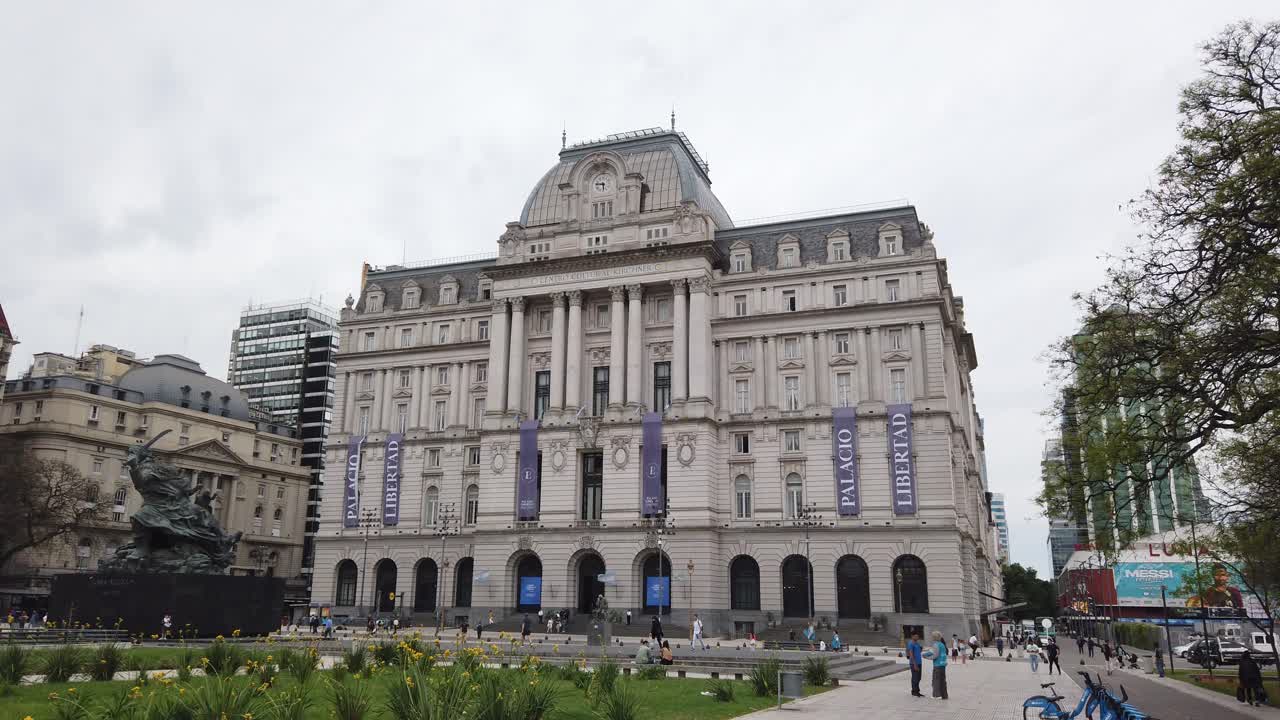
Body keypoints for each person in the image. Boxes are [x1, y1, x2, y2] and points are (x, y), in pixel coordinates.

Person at [921, 631, 948, 700]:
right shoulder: (942, 644)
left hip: (937, 665)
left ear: (934, 637)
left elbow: (934, 655)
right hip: (943, 665)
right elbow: (931, 652)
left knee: (936, 680)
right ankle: (944, 695)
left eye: (932, 636)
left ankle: (936, 695)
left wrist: (926, 657)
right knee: (942, 680)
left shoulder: (935, 645)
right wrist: (925, 654)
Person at [906, 632, 925, 698]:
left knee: (919, 677)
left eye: (918, 636)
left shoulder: (917, 643)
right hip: (914, 663)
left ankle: (917, 691)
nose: (917, 637)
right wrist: (915, 664)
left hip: (919, 662)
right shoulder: (911, 643)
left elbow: (918, 652)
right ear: (912, 636)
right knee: (915, 677)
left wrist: (921, 649)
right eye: (916, 636)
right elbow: (911, 654)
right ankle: (914, 691)